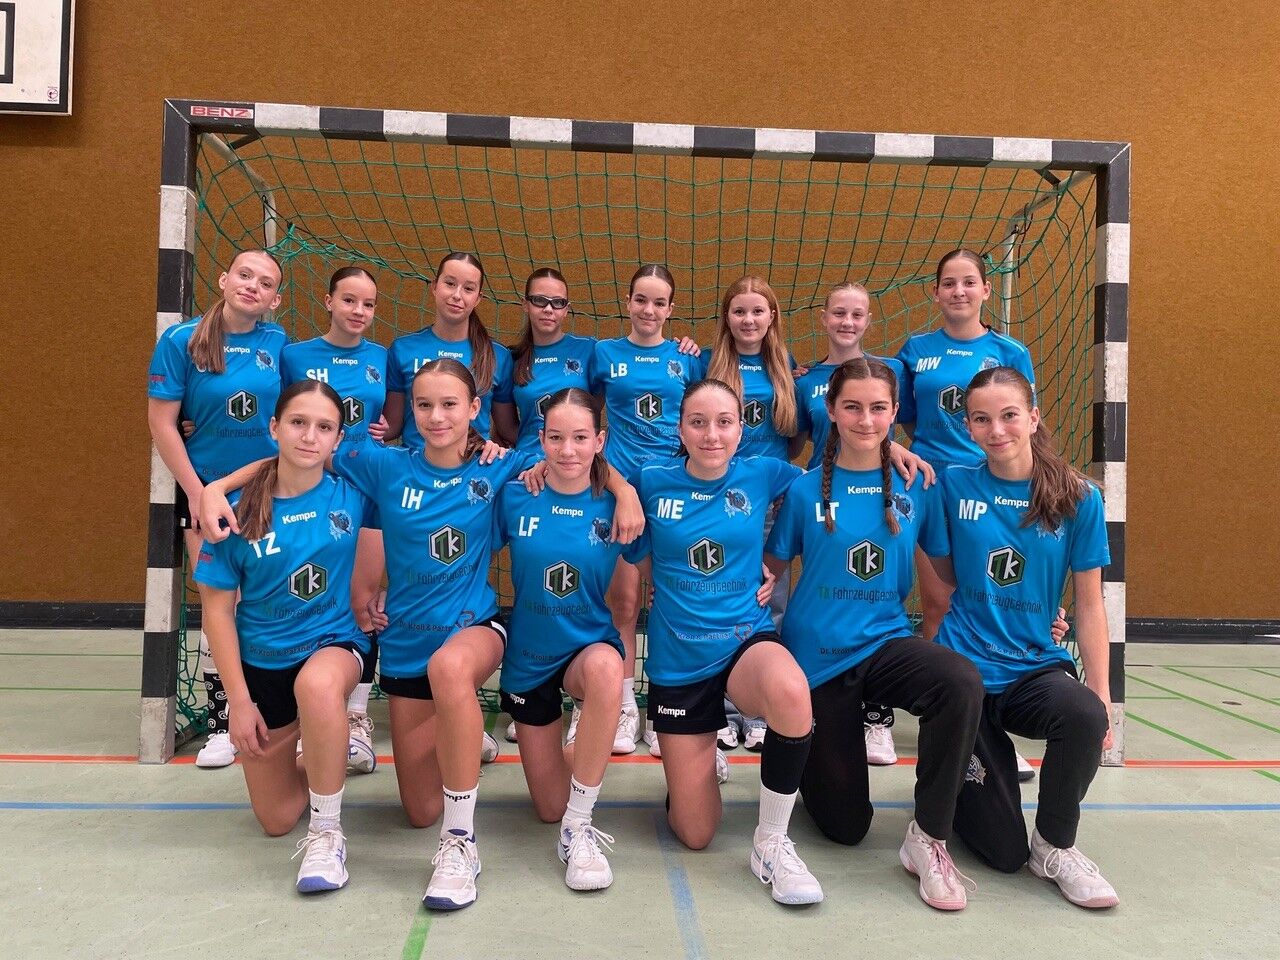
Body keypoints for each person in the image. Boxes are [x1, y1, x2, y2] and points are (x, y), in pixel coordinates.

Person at [766, 358, 985, 911]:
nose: (866, 420)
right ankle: (809, 748)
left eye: (878, 408)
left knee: (958, 680)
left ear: (895, 412)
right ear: (831, 411)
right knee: (846, 828)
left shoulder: (918, 485)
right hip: (817, 662)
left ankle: (928, 836)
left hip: (885, 644)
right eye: (853, 407)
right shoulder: (802, 491)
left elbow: (952, 575)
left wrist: (1043, 612)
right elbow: (767, 573)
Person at [626, 378, 822, 906]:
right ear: (680, 429)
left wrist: (891, 449)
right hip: (678, 660)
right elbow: (600, 478)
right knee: (695, 834)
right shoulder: (651, 480)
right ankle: (698, 758)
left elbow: (832, 477)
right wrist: (622, 493)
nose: (711, 434)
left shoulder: (763, 472)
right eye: (698, 422)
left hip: (743, 639)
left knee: (791, 691)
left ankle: (771, 841)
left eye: (724, 422)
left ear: (740, 429)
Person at [939, 366, 1118, 909]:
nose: (996, 430)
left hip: (1032, 668)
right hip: (965, 677)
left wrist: (1102, 694)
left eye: (1009, 415)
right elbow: (945, 576)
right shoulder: (953, 484)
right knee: (1000, 851)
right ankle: (960, 770)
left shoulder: (1078, 498)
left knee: (1083, 714)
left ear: (1034, 417)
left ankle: (1055, 846)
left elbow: (1090, 606)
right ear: (968, 427)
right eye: (981, 419)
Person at [194, 380, 371, 893]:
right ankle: (318, 748)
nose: (310, 436)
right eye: (298, 423)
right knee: (275, 819)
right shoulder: (233, 512)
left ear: (338, 439)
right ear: (274, 427)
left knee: (318, 687)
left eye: (324, 427)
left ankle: (327, 833)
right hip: (263, 664)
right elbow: (217, 612)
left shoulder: (353, 492)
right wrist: (238, 703)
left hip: (334, 644)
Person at [897, 250, 1040, 781]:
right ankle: (950, 722)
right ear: (936, 292)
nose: (959, 291)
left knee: (987, 602)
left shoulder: (1010, 351)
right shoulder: (916, 350)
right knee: (938, 602)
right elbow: (905, 419)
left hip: (991, 493)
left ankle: (989, 731)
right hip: (933, 489)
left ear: (985, 289)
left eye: (968, 282)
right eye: (949, 283)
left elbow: (1024, 424)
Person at [147, 248, 287, 768]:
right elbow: (163, 423)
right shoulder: (181, 340)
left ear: (275, 299)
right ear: (225, 280)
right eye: (245, 275)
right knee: (218, 604)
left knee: (267, 600)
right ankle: (224, 720)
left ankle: (276, 712)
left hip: (266, 490)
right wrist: (196, 492)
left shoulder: (279, 343)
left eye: (265, 282)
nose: (253, 286)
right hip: (205, 490)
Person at [493, 388, 632, 890]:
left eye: (580, 438)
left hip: (586, 650)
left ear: (599, 441)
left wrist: (760, 577)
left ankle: (580, 825)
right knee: (548, 806)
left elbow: (679, 560)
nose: (567, 450)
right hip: (528, 660)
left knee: (606, 669)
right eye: (556, 438)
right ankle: (580, 755)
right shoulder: (515, 495)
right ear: (541, 440)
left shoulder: (618, 503)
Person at [590, 265, 707, 755]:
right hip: (618, 490)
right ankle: (621, 707)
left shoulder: (687, 359)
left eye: (659, 303)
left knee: (670, 601)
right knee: (623, 601)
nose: (649, 310)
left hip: (671, 492)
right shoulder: (604, 354)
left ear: (671, 309)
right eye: (641, 299)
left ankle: (665, 705)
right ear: (628, 301)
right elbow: (588, 418)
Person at [281, 266, 388, 775]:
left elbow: (394, 419)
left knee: (364, 601)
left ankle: (356, 716)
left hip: (365, 491)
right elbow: (278, 417)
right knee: (313, 596)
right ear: (328, 301)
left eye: (368, 304)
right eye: (349, 300)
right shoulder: (294, 356)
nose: (358, 311)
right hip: (308, 491)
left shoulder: (382, 358)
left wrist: (386, 428)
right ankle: (310, 716)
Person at [704, 275, 799, 753]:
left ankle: (758, 710)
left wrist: (776, 483)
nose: (748, 319)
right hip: (720, 503)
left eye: (758, 311)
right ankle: (721, 708)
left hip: (769, 504)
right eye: (739, 311)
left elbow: (792, 439)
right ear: (727, 316)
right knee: (720, 599)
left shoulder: (786, 366)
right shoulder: (708, 363)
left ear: (772, 316)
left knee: (770, 600)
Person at [383, 253, 515, 448]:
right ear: (435, 286)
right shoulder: (403, 349)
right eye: (450, 284)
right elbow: (392, 425)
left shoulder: (498, 356)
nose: (457, 295)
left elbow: (507, 430)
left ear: (478, 298)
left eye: (468, 288)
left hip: (473, 463)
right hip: (415, 462)